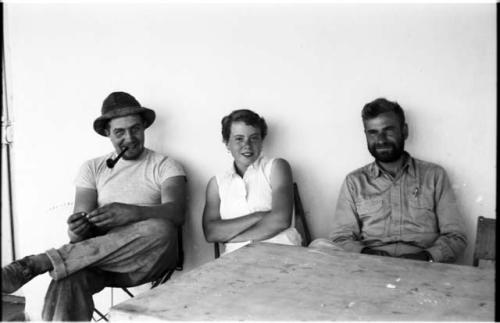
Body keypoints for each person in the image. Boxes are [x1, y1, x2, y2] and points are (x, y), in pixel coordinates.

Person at [2, 92, 187, 321]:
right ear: (107, 133)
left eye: (135, 129)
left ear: (144, 128)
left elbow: (177, 213)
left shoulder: (166, 165)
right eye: (120, 132)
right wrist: (77, 228)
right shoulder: (92, 168)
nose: (129, 138)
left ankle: (40, 262)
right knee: (66, 277)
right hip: (98, 262)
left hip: (147, 259)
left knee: (162, 229)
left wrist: (133, 213)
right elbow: (79, 233)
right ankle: (49, 264)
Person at [310, 98, 466, 263]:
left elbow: (456, 237)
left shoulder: (434, 176)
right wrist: (369, 255)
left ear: (404, 131)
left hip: (424, 267)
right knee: (318, 246)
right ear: (366, 135)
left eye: (388, 130)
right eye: (373, 132)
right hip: (370, 267)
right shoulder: (354, 182)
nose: (381, 140)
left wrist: (425, 257)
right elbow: (341, 238)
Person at [202, 109, 302, 255]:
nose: (247, 145)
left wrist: (232, 237)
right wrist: (259, 215)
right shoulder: (217, 183)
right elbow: (211, 232)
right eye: (239, 139)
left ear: (262, 141)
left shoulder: (276, 167)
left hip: (282, 251)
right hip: (235, 260)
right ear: (227, 143)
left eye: (254, 138)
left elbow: (281, 220)